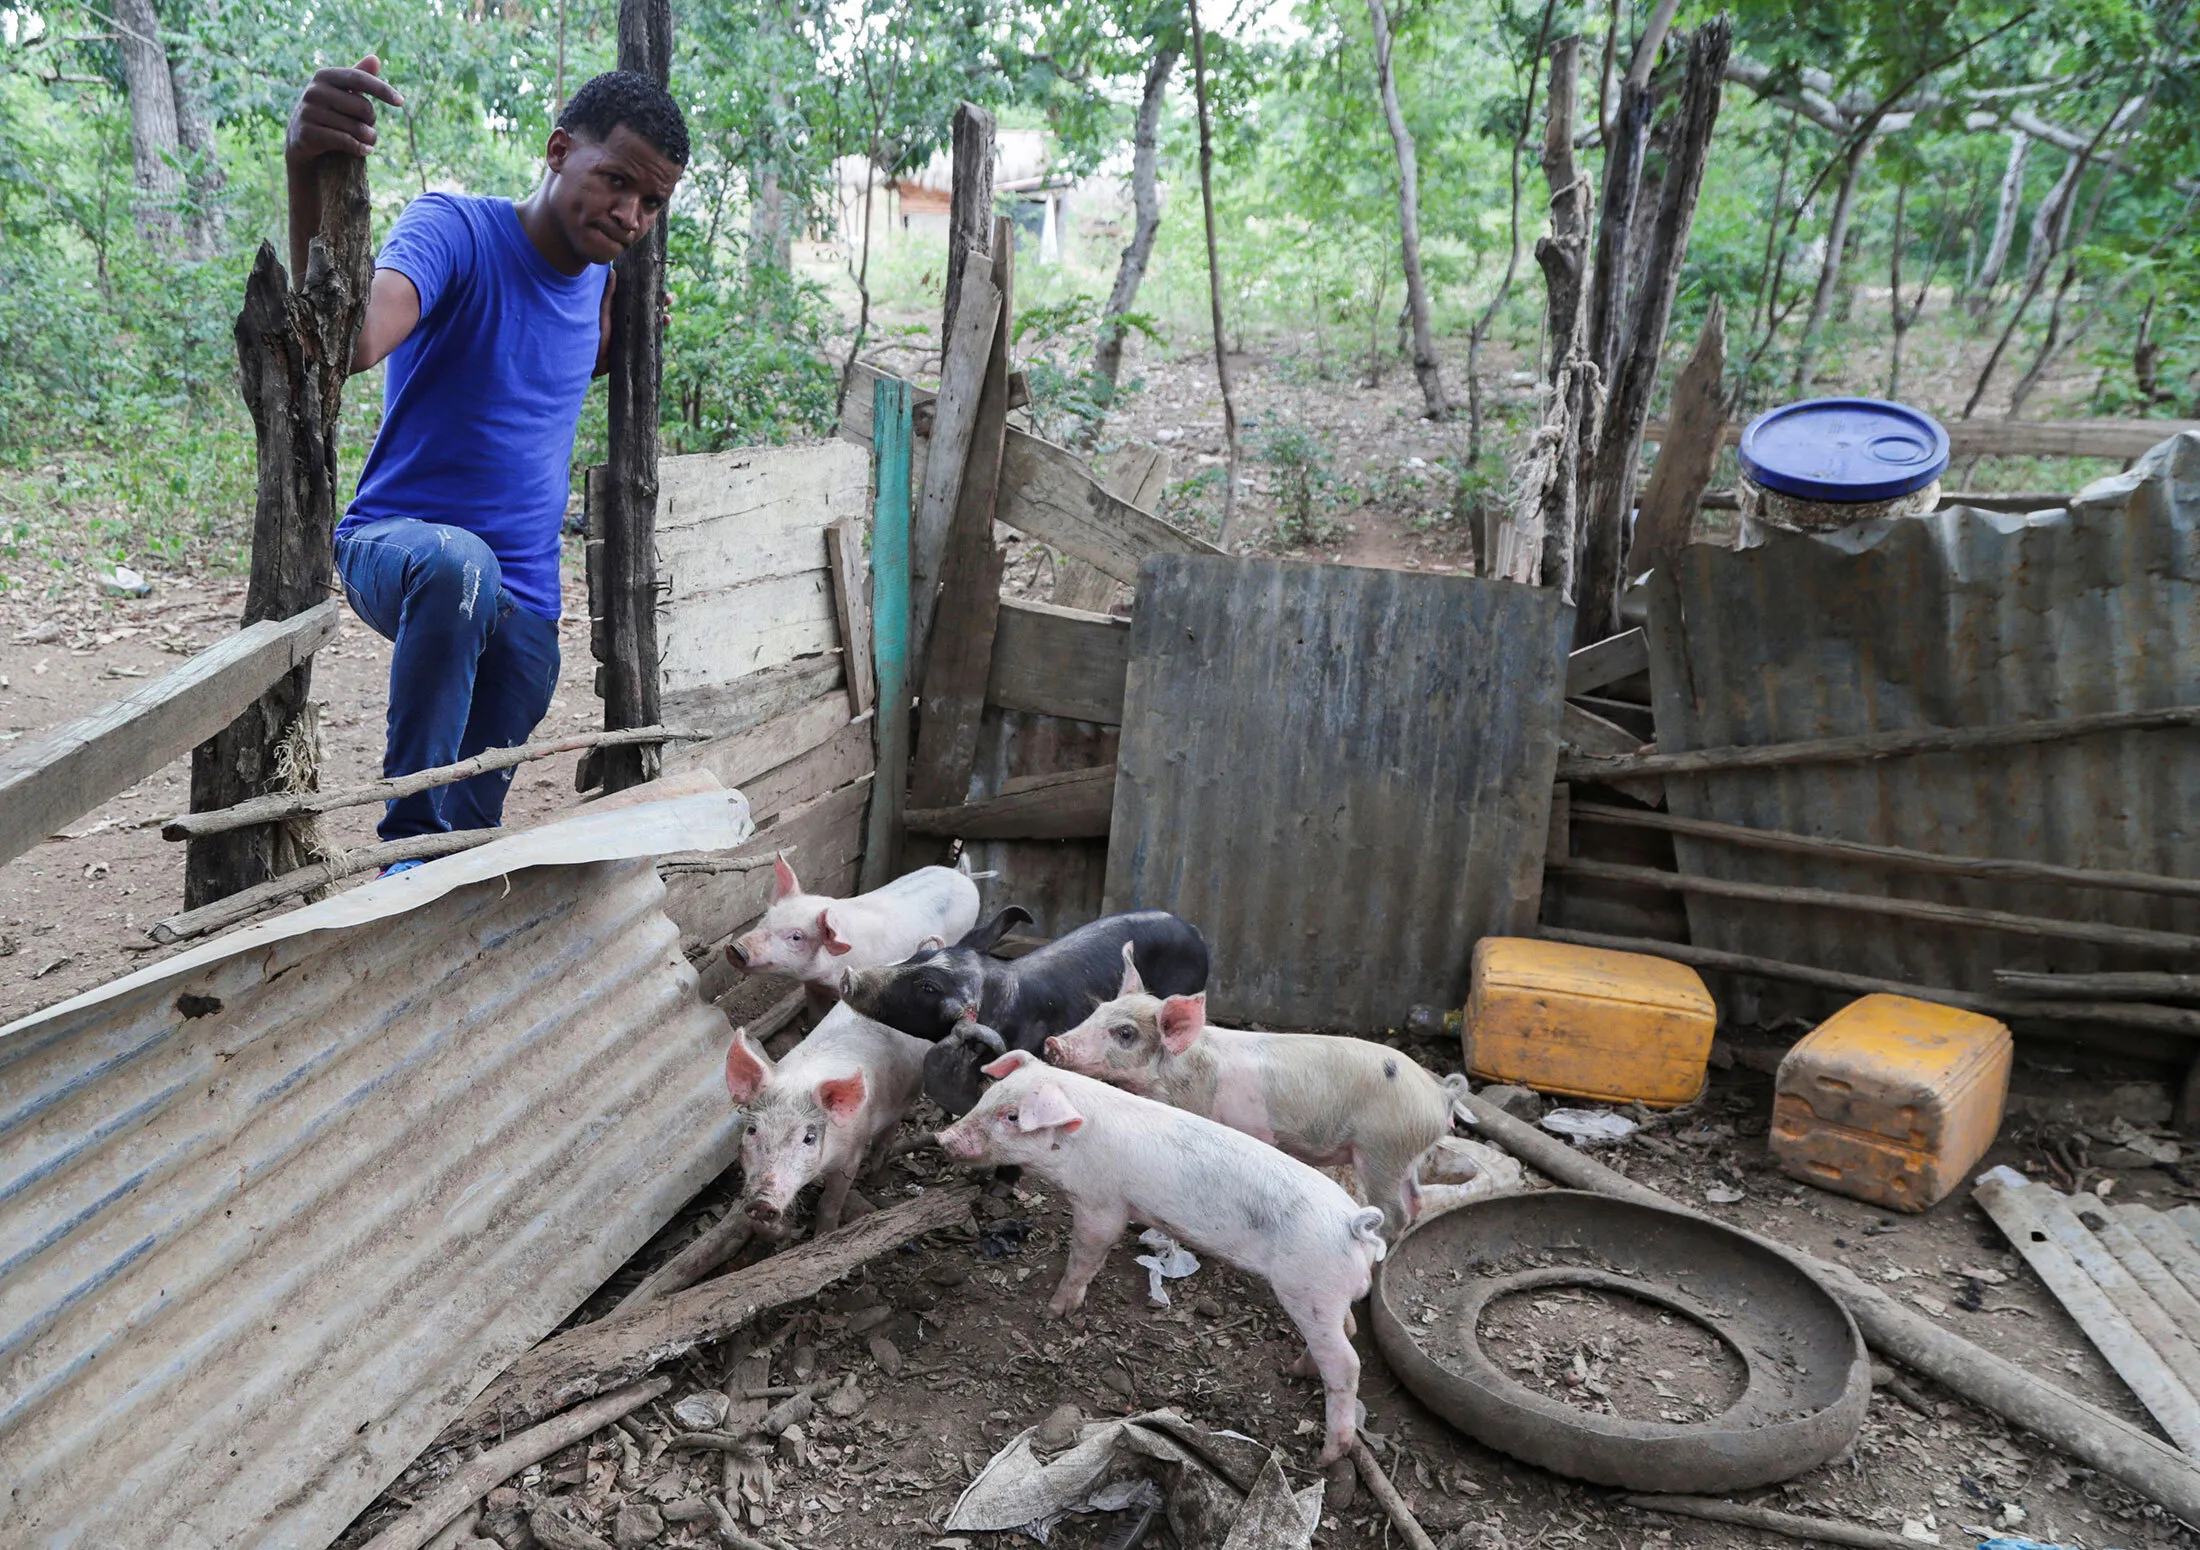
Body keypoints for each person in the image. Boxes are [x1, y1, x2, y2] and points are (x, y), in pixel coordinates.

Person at [284, 56, 687, 858]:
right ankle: (401, 853)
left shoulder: (605, 289)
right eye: (615, 181)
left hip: (525, 606)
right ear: (558, 149)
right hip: (401, 547)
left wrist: (615, 345)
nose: (631, 215)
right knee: (458, 568)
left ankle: (435, 878)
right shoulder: (454, 230)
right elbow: (353, 339)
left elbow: (536, 369)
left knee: (469, 835)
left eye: (652, 202)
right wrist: (305, 167)